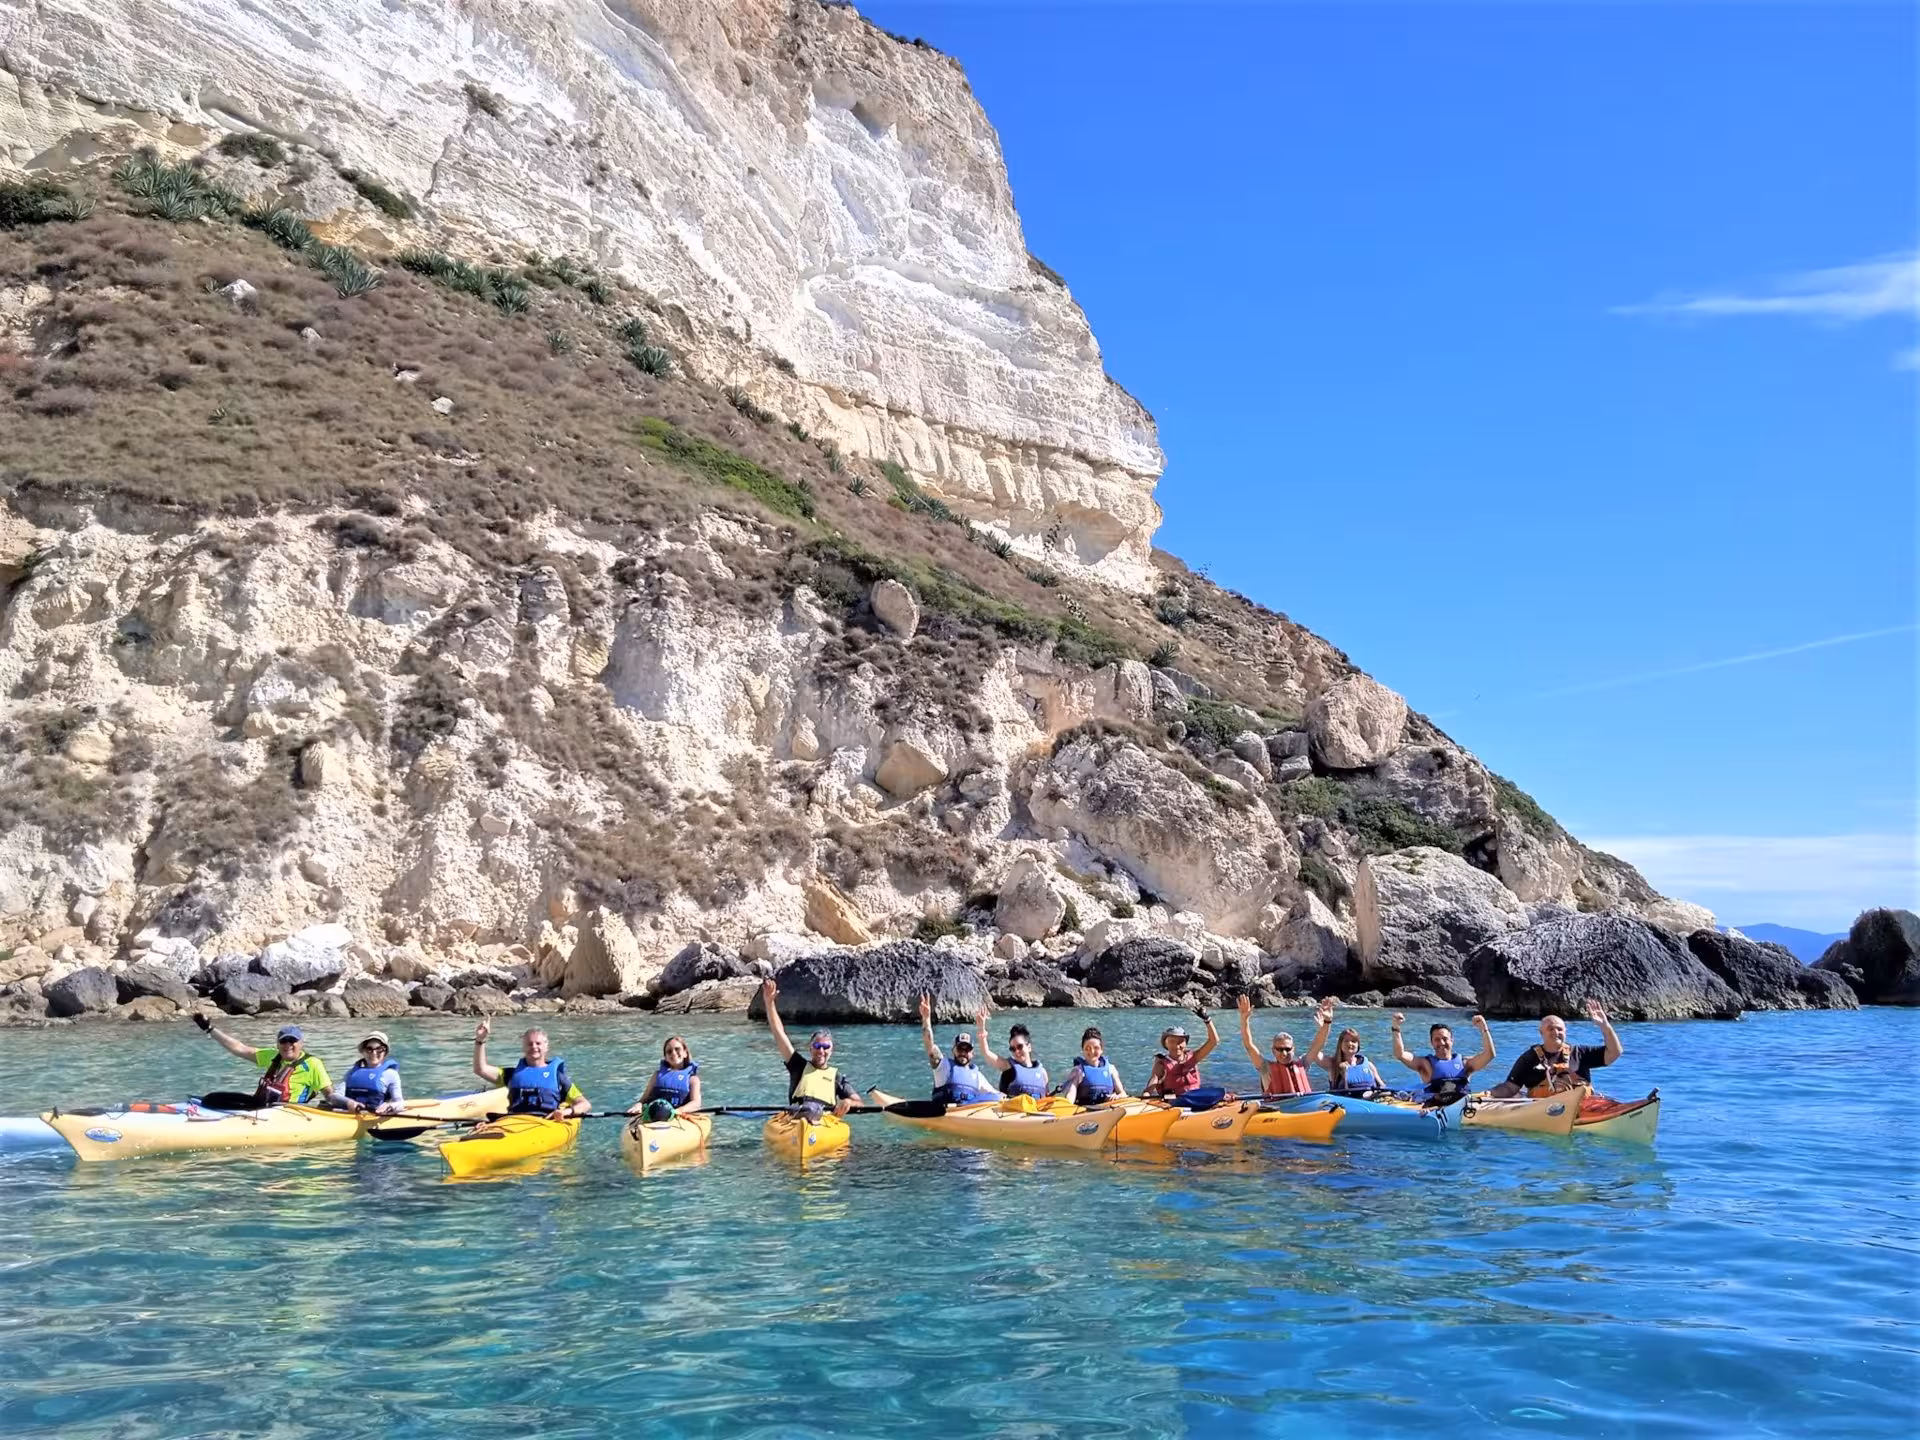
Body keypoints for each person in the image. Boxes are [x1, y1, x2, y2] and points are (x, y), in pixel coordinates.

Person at [761, 979, 859, 1118]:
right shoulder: (798, 1066)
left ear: (832, 1050)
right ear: (810, 1048)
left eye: (826, 1047)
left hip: (824, 1122)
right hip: (797, 1119)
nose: (821, 1051)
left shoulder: (837, 1078)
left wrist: (849, 1102)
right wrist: (769, 1002)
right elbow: (779, 1033)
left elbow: (858, 1102)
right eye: (817, 1046)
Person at [193, 1016, 332, 1109]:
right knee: (211, 1099)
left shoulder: (313, 1064)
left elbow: (329, 1094)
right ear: (278, 1044)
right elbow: (239, 1048)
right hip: (264, 1106)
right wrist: (210, 1029)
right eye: (283, 1041)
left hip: (290, 1112)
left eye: (292, 1041)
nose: (288, 1045)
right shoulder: (273, 1056)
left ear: (301, 1043)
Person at [1494, 1002, 1622, 1097]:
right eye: (1550, 1029)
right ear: (1541, 1033)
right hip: (1543, 1112)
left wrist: (1605, 1027)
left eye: (1560, 1029)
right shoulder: (1528, 1058)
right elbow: (1510, 1087)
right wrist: (1489, 1094)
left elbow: (1614, 1053)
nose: (1556, 1032)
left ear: (1565, 1032)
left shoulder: (1580, 1053)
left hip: (1582, 1110)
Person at [471, 1020, 590, 1117]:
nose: (534, 1047)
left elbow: (584, 1104)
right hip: (514, 1122)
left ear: (546, 1046)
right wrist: (480, 1041)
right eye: (529, 1044)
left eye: (538, 1043)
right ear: (523, 1047)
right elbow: (480, 1069)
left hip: (547, 1122)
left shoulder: (558, 1078)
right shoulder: (510, 1074)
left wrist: (566, 1111)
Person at [1389, 1012, 1495, 1103]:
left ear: (1452, 1040)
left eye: (1445, 1038)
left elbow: (1489, 1055)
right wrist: (1396, 1028)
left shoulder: (1465, 1064)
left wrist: (1484, 1029)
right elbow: (1400, 1054)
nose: (1442, 1043)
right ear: (1431, 1043)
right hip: (1433, 1107)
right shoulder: (1425, 1064)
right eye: (1437, 1039)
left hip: (1461, 1105)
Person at [916, 994, 1001, 1104]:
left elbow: (996, 1095)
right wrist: (926, 1019)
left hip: (969, 1116)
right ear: (953, 1050)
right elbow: (930, 1046)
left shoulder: (977, 1076)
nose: (963, 1053)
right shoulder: (944, 1067)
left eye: (967, 1050)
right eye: (960, 1049)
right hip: (944, 1116)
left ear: (972, 1054)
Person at [1143, 1008, 1231, 1108]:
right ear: (1166, 1044)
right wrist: (1147, 1094)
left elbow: (1213, 1041)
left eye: (1180, 1042)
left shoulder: (1193, 1057)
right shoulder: (1161, 1063)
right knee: (1216, 1095)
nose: (1176, 1046)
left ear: (1185, 1043)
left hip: (1195, 1096)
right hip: (1176, 1100)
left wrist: (1207, 1020)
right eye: (1172, 1042)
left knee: (1219, 1092)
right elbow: (1154, 1079)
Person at [1305, 999, 1387, 1096]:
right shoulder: (1332, 1065)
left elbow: (1383, 1087)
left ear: (1358, 1045)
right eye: (1346, 1041)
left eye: (1353, 1041)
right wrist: (1323, 1028)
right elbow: (1314, 1052)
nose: (1350, 1044)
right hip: (1345, 1107)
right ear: (1340, 1044)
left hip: (1372, 1103)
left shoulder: (1368, 1065)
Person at [1237, 994, 1313, 1096]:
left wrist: (1326, 1022)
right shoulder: (1265, 1067)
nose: (1284, 1053)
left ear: (1293, 1049)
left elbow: (1318, 1044)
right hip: (1275, 1108)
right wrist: (1244, 1020)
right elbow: (1248, 1045)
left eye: (1287, 1049)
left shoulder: (1303, 1063)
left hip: (1302, 1107)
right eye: (1280, 1049)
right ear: (1273, 1050)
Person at [975, 1011, 1049, 1100]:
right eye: (1013, 1049)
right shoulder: (1008, 1066)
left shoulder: (1042, 1072)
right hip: (1013, 1112)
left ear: (1029, 1047)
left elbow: (1047, 1098)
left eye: (1020, 1046)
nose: (1017, 1051)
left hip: (1036, 1112)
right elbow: (986, 1053)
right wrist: (981, 1029)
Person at [627, 1035, 702, 1121]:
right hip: (654, 1116)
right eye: (669, 1051)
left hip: (679, 1117)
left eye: (677, 1049)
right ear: (665, 1057)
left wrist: (677, 1111)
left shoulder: (692, 1079)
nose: (673, 1053)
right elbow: (644, 1099)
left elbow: (696, 1103)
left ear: (685, 1053)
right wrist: (638, 1105)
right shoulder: (657, 1076)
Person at [334, 1031, 404, 1115]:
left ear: (385, 1052)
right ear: (363, 1051)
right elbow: (334, 1096)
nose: (374, 1053)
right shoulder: (352, 1072)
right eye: (369, 1049)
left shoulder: (391, 1074)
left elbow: (399, 1102)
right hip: (351, 1116)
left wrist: (390, 1106)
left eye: (379, 1049)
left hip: (376, 1116)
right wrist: (349, 1102)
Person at [1058, 1026, 1127, 1106]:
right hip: (1085, 1112)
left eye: (1096, 1048)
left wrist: (1117, 1097)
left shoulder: (1111, 1069)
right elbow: (1069, 1099)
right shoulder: (1078, 1071)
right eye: (1087, 1048)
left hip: (1107, 1110)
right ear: (1082, 1050)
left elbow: (1123, 1094)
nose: (1092, 1051)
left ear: (1101, 1050)